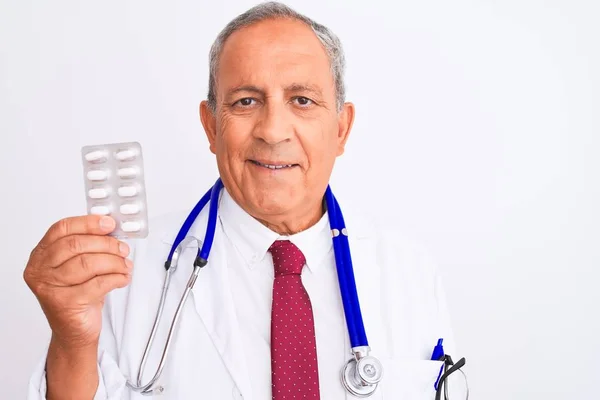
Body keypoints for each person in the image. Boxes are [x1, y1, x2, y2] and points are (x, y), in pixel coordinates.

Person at [24, 2, 463, 399]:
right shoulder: (122, 273)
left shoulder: (410, 271)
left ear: (342, 129)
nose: (273, 131)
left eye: (302, 100)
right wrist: (72, 340)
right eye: (246, 101)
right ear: (211, 125)